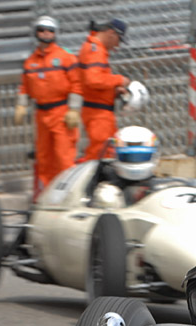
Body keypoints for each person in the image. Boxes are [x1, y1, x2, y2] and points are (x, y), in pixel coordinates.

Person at [13, 15, 82, 193]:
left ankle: (67, 195)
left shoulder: (66, 58)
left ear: (55, 33)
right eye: (42, 29)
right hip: (41, 115)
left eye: (50, 30)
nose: (46, 33)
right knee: (44, 158)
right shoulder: (30, 62)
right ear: (36, 33)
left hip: (61, 113)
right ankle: (47, 195)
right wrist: (21, 105)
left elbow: (77, 84)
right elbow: (24, 87)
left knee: (64, 157)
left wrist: (74, 109)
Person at [78, 18, 131, 162]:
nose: (117, 46)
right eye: (118, 40)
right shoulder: (95, 50)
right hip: (98, 114)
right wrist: (119, 80)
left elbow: (96, 83)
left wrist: (114, 91)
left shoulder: (93, 48)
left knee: (103, 152)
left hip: (98, 111)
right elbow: (93, 80)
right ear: (111, 33)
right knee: (100, 155)